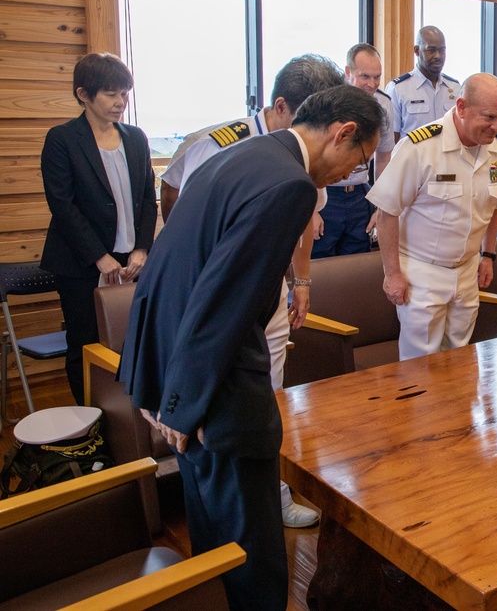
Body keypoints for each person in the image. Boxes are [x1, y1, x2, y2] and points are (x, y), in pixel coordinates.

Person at [118, 86, 383, 610]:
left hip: (172, 363)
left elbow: (172, 269)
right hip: (216, 396)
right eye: (361, 159)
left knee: (213, 541)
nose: (351, 173)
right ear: (343, 133)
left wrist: (163, 386)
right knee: (251, 556)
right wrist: (186, 402)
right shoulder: (291, 186)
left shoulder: (241, 153)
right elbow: (224, 301)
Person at [161, 55, 344, 529]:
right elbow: (174, 200)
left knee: (268, 399)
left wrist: (300, 281)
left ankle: (272, 495)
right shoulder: (216, 144)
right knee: (220, 406)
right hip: (214, 296)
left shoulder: (312, 156)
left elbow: (305, 216)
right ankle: (221, 510)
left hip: (271, 293)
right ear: (282, 106)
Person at [367, 73, 497, 361]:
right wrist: (392, 273)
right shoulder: (420, 147)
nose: (496, 126)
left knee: (460, 359)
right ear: (460, 107)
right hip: (422, 272)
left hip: (467, 271)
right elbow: (387, 211)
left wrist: (489, 255)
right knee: (419, 362)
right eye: (489, 117)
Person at [40, 53, 157, 405]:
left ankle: (130, 419)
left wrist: (141, 248)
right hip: (80, 265)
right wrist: (99, 257)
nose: (120, 102)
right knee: (86, 344)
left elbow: (148, 200)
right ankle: (92, 422)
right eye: (110, 94)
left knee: (132, 338)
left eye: (124, 93)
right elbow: (63, 206)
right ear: (83, 94)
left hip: (130, 260)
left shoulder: (135, 138)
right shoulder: (62, 139)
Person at [313, 43, 394, 257]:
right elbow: (307, 156)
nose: (372, 84)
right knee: (321, 266)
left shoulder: (384, 104)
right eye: (365, 77)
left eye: (377, 77)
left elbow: (384, 157)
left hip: (360, 196)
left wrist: (380, 206)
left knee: (357, 262)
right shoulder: (327, 102)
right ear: (348, 73)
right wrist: (310, 210)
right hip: (326, 195)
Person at [385, 25, 459, 140]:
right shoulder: (398, 89)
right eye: (431, 50)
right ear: (417, 51)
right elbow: (391, 139)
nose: (438, 56)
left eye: (442, 50)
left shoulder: (455, 87)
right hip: (412, 157)